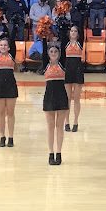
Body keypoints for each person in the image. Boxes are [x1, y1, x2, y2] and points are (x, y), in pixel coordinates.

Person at [41, 35, 69, 165]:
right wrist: (43, 36)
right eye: (51, 51)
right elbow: (43, 49)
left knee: (59, 127)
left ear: (59, 54)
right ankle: (50, 153)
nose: (53, 53)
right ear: (47, 54)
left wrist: (62, 30)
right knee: (50, 127)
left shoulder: (62, 64)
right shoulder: (45, 65)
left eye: (55, 52)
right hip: (49, 97)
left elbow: (63, 47)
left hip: (61, 96)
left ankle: (59, 153)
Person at [0, 19, 18, 148]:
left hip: (11, 86)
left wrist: (8, 27)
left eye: (5, 45)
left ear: (8, 47)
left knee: (10, 113)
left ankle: (11, 137)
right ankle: (2, 136)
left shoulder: (12, 55)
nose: (3, 47)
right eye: (1, 45)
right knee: (1, 113)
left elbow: (12, 40)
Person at [63, 26, 85, 132]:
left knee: (76, 99)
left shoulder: (80, 43)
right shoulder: (65, 43)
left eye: (75, 31)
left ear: (78, 33)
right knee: (66, 98)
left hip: (78, 71)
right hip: (67, 71)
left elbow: (82, 26)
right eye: (71, 31)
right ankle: (66, 122)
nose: (73, 32)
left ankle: (75, 122)